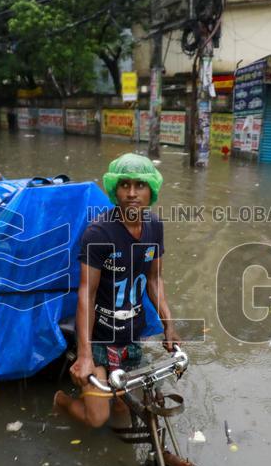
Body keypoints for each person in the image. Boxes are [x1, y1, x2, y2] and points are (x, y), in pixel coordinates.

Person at [54, 153, 180, 428]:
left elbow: (155, 280)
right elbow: (86, 293)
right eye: (125, 185)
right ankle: (62, 401)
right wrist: (85, 355)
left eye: (140, 185)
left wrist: (169, 325)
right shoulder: (99, 233)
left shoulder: (155, 227)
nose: (132, 193)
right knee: (98, 418)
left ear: (152, 190)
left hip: (132, 333)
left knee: (125, 408)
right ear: (115, 189)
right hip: (98, 338)